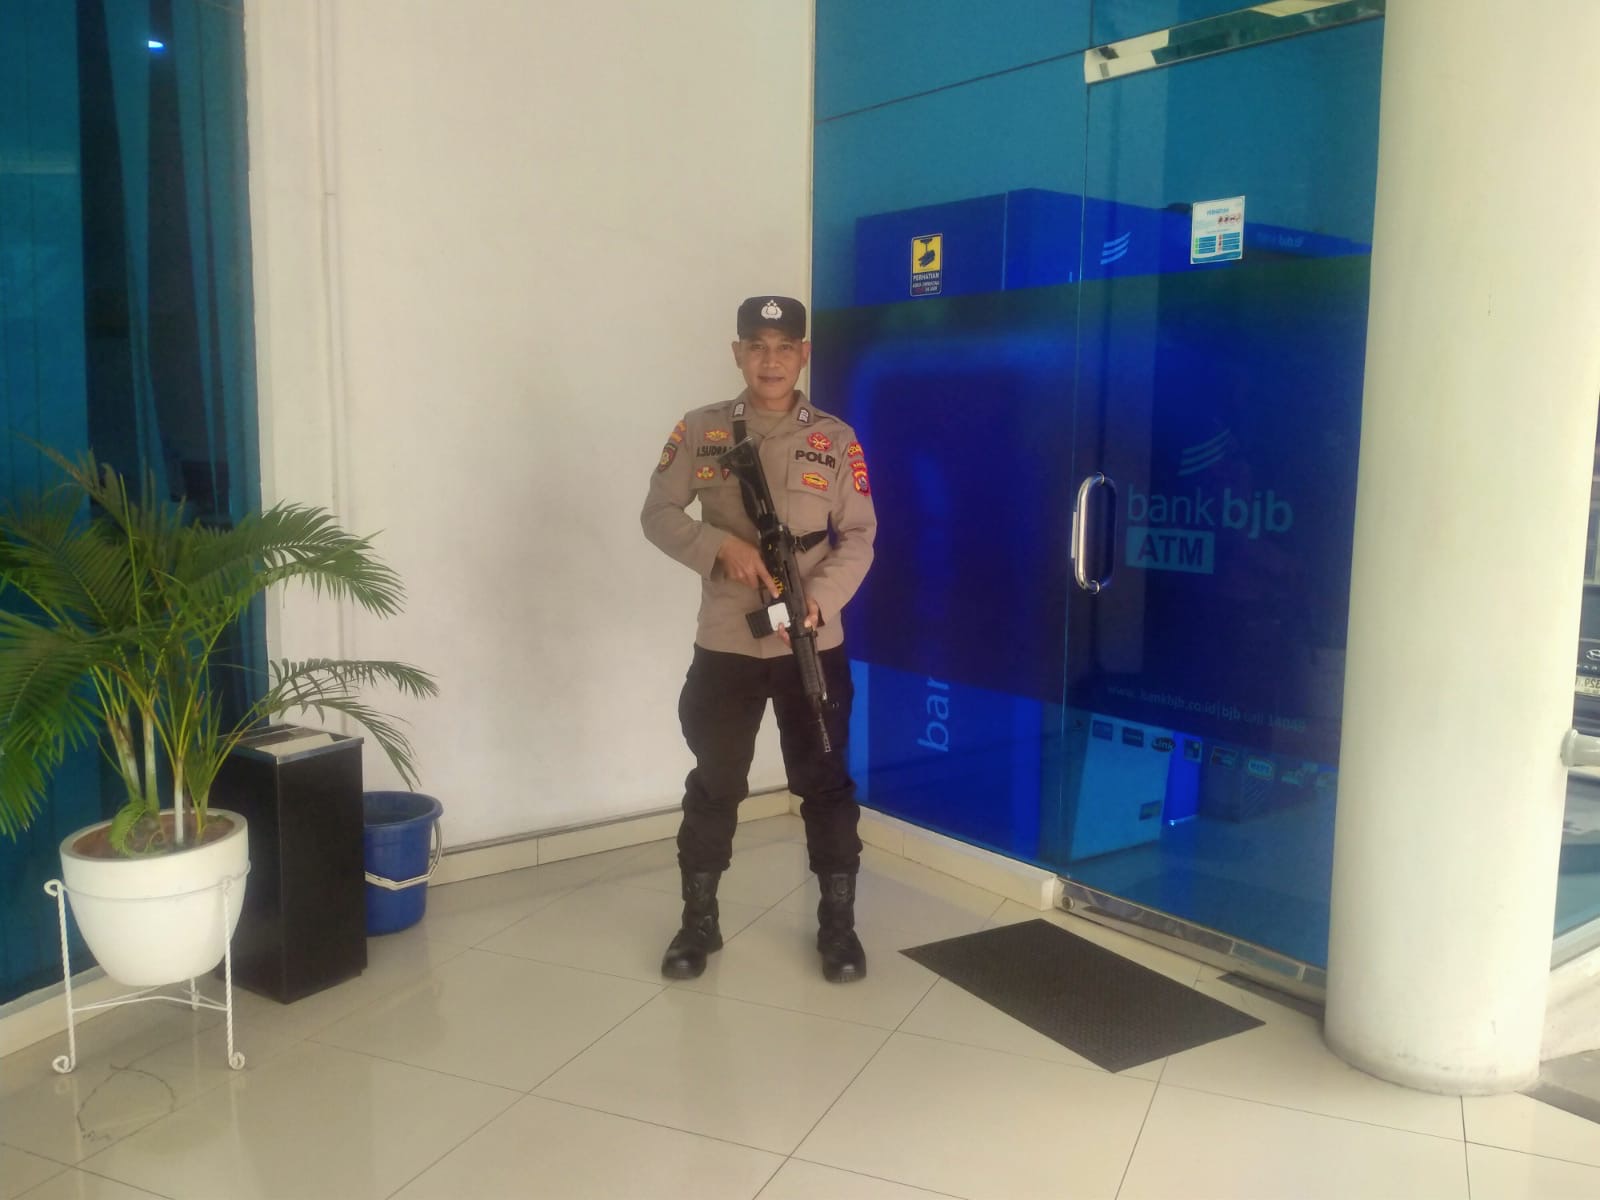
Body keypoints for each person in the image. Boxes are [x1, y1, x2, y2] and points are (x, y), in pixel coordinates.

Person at [641, 295, 877, 983]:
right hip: (728, 641)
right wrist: (720, 547)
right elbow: (658, 513)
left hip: (812, 642)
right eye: (757, 345)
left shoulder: (834, 438)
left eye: (784, 346)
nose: (770, 359)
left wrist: (820, 600)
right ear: (737, 352)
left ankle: (838, 927)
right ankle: (699, 923)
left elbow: (859, 535)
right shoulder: (701, 429)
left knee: (824, 782)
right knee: (716, 781)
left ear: (804, 354)